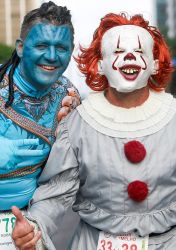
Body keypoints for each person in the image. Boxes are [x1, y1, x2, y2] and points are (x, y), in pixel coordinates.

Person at [12, 13, 176, 250]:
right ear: (99, 65)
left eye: (140, 52)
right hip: (95, 243)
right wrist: (34, 224)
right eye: (118, 52)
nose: (130, 57)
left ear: (154, 64)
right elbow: (56, 193)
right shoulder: (76, 124)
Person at [0, 1, 80, 249]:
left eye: (61, 48)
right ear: (21, 48)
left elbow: (63, 179)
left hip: (28, 224)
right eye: (42, 45)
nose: (52, 56)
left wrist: (36, 224)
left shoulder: (70, 97)